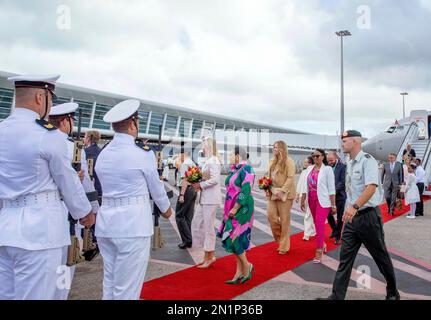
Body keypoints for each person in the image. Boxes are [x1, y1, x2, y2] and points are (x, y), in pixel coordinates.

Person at [0, 75, 95, 300]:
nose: (50, 106)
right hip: (40, 231)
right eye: (50, 100)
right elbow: (67, 179)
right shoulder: (47, 135)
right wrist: (84, 212)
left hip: (5, 228)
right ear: (40, 97)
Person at [95, 99, 173, 300]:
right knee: (127, 290)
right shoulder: (142, 154)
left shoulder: (103, 154)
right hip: (132, 226)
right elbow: (156, 187)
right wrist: (166, 210)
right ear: (132, 124)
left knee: (110, 284)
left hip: (106, 224)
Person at [317, 130, 399, 300]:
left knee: (380, 257)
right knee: (345, 258)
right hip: (352, 219)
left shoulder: (367, 161)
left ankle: (392, 292)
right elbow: (351, 191)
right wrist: (348, 210)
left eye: (345, 141)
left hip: (368, 217)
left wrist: (354, 206)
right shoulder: (351, 163)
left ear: (355, 141)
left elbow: (371, 187)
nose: (342, 144)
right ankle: (336, 296)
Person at [48, 102, 100, 299]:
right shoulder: (71, 147)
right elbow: (85, 183)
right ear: (65, 121)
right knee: (63, 267)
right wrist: (92, 209)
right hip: (64, 212)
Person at [217, 147, 255, 284]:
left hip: (242, 207)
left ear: (238, 156)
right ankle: (239, 272)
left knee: (234, 238)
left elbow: (246, 189)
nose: (230, 156)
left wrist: (236, 207)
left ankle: (247, 266)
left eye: (232, 154)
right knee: (233, 238)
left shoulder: (247, 169)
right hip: (231, 207)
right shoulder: (235, 169)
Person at [191, 137, 222, 268]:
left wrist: (200, 184)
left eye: (204, 145)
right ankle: (207, 255)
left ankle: (209, 257)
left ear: (209, 146)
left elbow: (215, 179)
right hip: (204, 198)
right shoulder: (208, 160)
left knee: (208, 228)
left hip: (210, 199)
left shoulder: (213, 160)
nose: (202, 148)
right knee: (197, 224)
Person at [300, 149, 336, 263]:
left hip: (323, 201)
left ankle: (319, 250)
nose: (315, 158)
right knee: (316, 223)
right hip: (311, 198)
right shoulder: (310, 168)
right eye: (313, 156)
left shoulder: (327, 169)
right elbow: (306, 185)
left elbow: (331, 188)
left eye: (317, 156)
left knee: (320, 223)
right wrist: (303, 199)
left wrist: (333, 205)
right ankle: (322, 243)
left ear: (322, 157)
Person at [266, 141, 296, 254]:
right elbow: (268, 176)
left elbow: (290, 178)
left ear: (282, 149)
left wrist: (283, 191)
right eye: (273, 147)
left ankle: (284, 246)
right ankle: (280, 239)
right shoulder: (272, 161)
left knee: (284, 220)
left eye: (276, 147)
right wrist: (266, 187)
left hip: (285, 195)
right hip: (273, 192)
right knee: (271, 216)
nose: (274, 149)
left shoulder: (289, 161)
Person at [176, 148, 197, 249]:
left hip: (186, 189)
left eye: (179, 154)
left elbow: (185, 179)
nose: (179, 156)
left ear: (183, 154)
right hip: (192, 190)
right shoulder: (192, 163)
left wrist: (182, 195)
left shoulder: (185, 164)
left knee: (179, 216)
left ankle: (187, 240)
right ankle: (189, 240)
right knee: (188, 216)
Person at [327, 151, 347, 244]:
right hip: (328, 196)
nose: (329, 162)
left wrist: (332, 192)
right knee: (328, 214)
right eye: (328, 160)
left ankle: (338, 236)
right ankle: (335, 230)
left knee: (339, 217)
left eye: (331, 160)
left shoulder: (343, 167)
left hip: (340, 196)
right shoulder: (327, 167)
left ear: (336, 158)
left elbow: (342, 182)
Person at [296, 156, 316, 241]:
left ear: (310, 163)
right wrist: (298, 195)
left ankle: (311, 232)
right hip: (306, 195)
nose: (304, 163)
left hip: (314, 196)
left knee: (312, 214)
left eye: (306, 162)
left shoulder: (314, 172)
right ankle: (308, 233)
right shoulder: (304, 172)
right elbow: (300, 184)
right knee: (308, 214)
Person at [84, 130, 103, 200]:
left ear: (88, 139)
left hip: (88, 189)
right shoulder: (102, 152)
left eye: (85, 137)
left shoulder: (84, 152)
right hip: (100, 188)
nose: (84, 139)